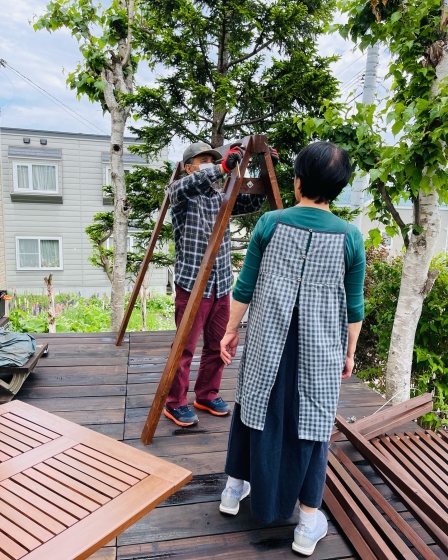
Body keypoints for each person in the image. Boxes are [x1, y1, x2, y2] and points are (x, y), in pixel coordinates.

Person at [219, 141, 365, 556]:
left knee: (253, 406)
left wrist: (230, 330)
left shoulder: (271, 223)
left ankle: (233, 489)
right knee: (313, 425)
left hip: (267, 344)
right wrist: (350, 351)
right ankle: (306, 523)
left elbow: (244, 286)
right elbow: (354, 306)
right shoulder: (351, 237)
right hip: (319, 352)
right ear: (338, 188)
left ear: (298, 180)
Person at [164, 141, 278, 427]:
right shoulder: (180, 193)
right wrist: (222, 167)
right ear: (189, 168)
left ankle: (206, 394)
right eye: (203, 161)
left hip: (220, 283)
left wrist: (265, 171)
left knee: (217, 344)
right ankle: (174, 402)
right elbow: (185, 187)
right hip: (193, 284)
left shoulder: (220, 197)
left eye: (212, 160)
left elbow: (252, 201)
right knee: (184, 348)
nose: (209, 165)